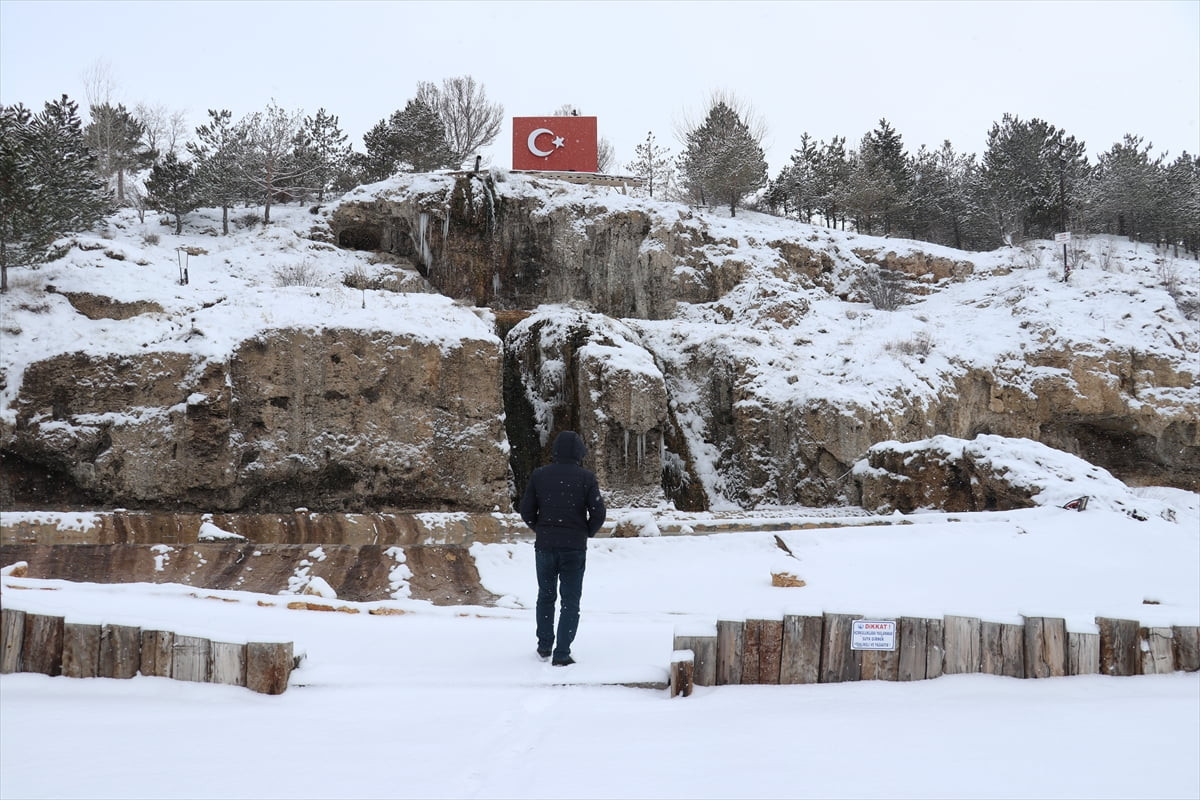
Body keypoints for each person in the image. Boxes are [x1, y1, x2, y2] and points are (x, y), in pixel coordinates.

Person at [519, 430, 606, 666]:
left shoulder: (540, 475)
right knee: (570, 601)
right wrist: (585, 531)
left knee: (545, 596)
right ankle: (562, 652)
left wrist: (541, 528)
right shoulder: (586, 478)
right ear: (579, 453)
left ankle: (544, 645)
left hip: (545, 546)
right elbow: (598, 512)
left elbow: (526, 510)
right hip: (574, 548)